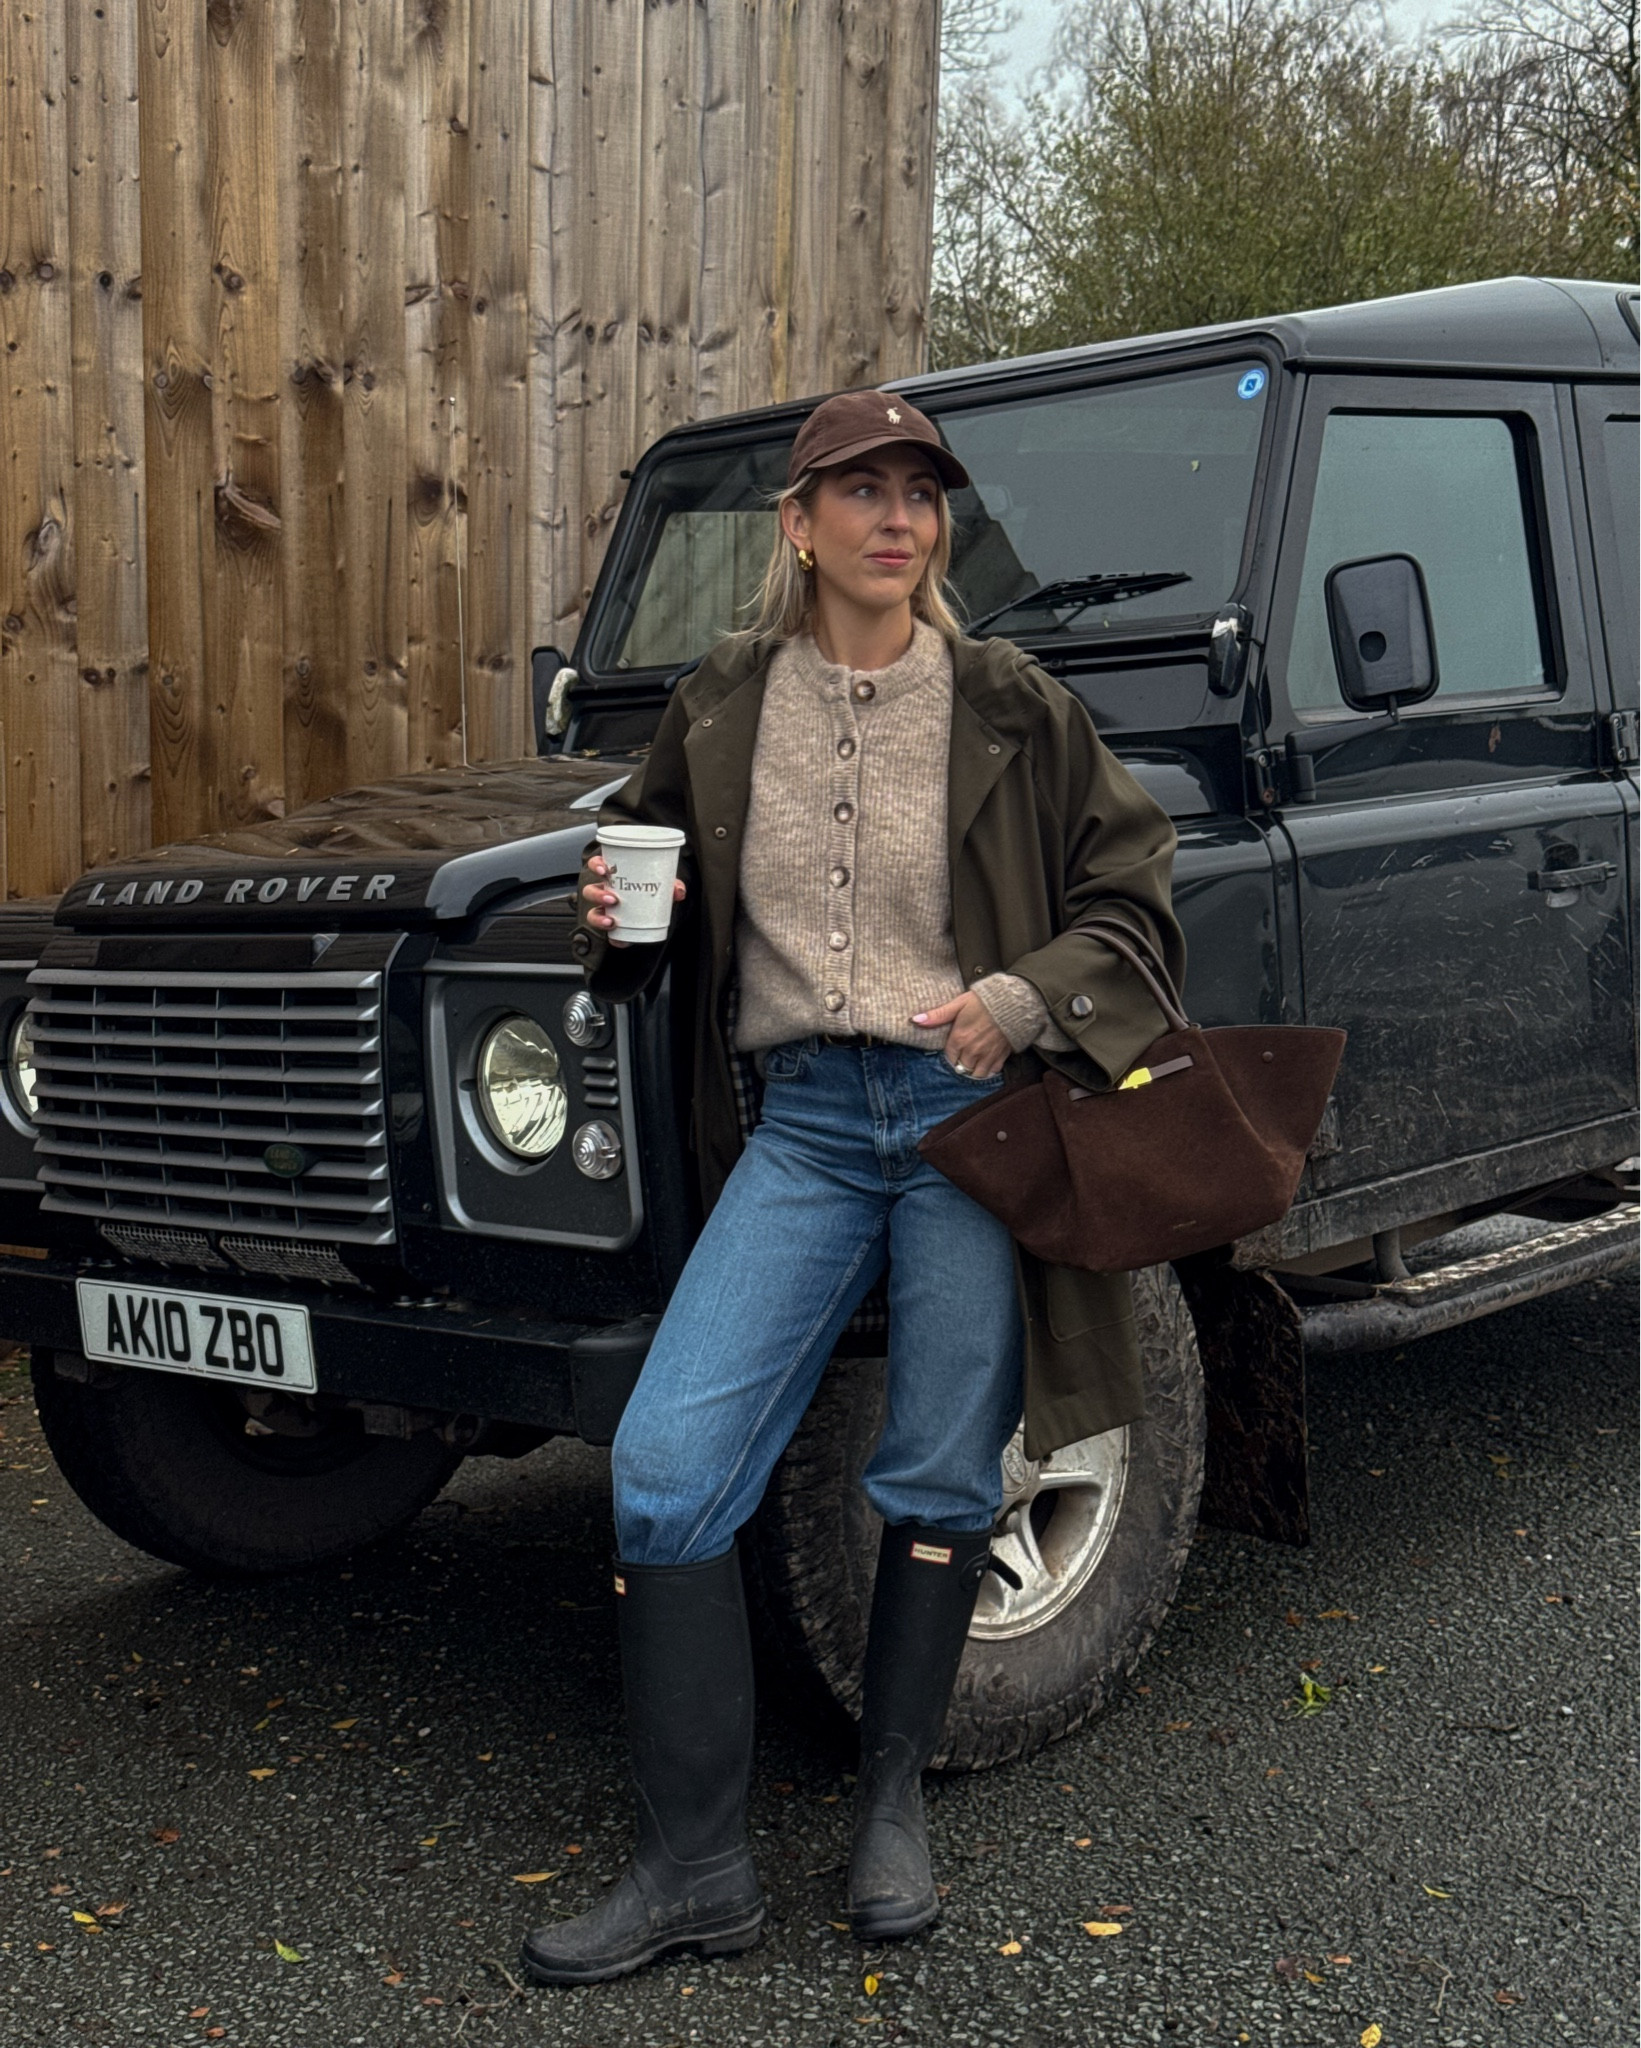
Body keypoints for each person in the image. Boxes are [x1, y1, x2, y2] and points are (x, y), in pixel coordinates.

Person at [520, 389, 1184, 1987]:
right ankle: (695, 1870)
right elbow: (640, 891)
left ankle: (889, 1807)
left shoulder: (1011, 703)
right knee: (666, 1468)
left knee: (939, 1474)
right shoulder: (723, 702)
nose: (897, 519)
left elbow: (1132, 894)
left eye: (919, 494)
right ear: (799, 525)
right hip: (808, 1128)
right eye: (863, 492)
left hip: (967, 1121)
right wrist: (612, 920)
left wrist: (1017, 1002)